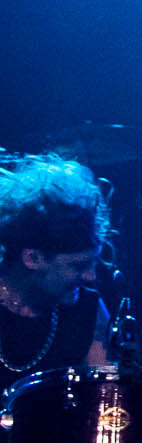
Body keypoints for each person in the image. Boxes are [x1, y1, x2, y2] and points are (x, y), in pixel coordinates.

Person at [0, 154, 111, 391]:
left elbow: (105, 396)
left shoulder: (89, 309)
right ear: (32, 258)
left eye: (93, 263)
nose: (91, 276)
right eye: (78, 266)